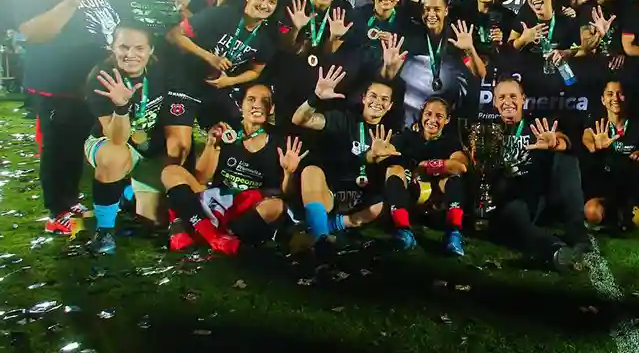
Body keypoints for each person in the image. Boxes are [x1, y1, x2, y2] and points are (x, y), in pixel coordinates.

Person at [12, 0, 121, 234]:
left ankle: (71, 199)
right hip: (57, 85)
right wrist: (67, 4)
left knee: (79, 145)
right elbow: (34, 32)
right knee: (59, 147)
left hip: (94, 83)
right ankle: (57, 209)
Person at [161, 84, 304, 255]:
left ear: (271, 109)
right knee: (170, 172)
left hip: (248, 209)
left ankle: (205, 233)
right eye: (251, 100)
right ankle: (214, 238)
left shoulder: (280, 142)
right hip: (217, 201)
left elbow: (287, 194)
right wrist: (212, 145)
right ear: (240, 105)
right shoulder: (227, 133)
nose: (257, 105)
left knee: (276, 206)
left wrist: (289, 173)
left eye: (264, 101)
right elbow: (201, 179)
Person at [109, 0, 206, 166]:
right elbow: (111, 20)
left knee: (179, 141)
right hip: (135, 66)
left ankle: (176, 190)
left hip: (177, 67)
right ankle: (134, 189)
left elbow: (202, 26)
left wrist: (186, 9)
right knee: (136, 132)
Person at [84, 22, 175, 253]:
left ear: (151, 50)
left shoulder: (161, 71)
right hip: (109, 141)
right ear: (112, 47)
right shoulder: (101, 76)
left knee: (153, 222)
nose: (131, 54)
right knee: (115, 156)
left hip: (147, 147)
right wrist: (121, 107)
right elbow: (116, 139)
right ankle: (104, 232)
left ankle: (125, 195)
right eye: (123, 47)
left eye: (139, 48)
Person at [291, 68, 397, 254]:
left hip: (359, 199)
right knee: (311, 171)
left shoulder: (390, 134)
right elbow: (300, 119)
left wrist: (373, 158)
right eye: (373, 95)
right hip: (331, 192)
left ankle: (327, 227)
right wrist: (315, 97)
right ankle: (321, 239)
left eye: (384, 99)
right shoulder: (343, 119)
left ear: (390, 106)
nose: (378, 102)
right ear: (364, 98)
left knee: (382, 205)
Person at [487, 76, 587, 271]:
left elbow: (566, 142)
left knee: (567, 159)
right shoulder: (486, 131)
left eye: (513, 96)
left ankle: (579, 235)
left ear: (523, 99)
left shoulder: (537, 125)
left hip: (544, 196)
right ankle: (555, 249)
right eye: (502, 97)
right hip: (516, 199)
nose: (508, 102)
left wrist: (556, 143)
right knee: (511, 214)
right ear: (495, 101)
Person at [167, 0, 280, 129]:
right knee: (180, 148)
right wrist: (210, 57)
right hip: (188, 82)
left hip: (219, 89)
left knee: (234, 130)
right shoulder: (222, 14)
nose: (265, 5)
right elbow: (175, 35)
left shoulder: (266, 39)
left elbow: (255, 71)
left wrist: (230, 81)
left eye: (271, 2)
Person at [384, 97, 469, 255]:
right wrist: (376, 153)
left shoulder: (450, 142)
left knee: (452, 177)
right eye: (428, 114)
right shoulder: (407, 137)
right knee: (394, 169)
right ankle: (403, 231)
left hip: (437, 204)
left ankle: (453, 234)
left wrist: (427, 166)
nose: (432, 120)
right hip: (409, 200)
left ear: (447, 120)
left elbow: (460, 166)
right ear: (422, 115)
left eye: (439, 116)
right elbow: (386, 151)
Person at [581, 79, 639, 230]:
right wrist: (596, 146)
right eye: (610, 94)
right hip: (606, 185)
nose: (615, 99)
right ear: (603, 100)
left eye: (620, 94)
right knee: (593, 212)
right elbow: (587, 139)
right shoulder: (597, 122)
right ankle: (619, 216)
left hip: (634, 184)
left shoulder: (638, 124)